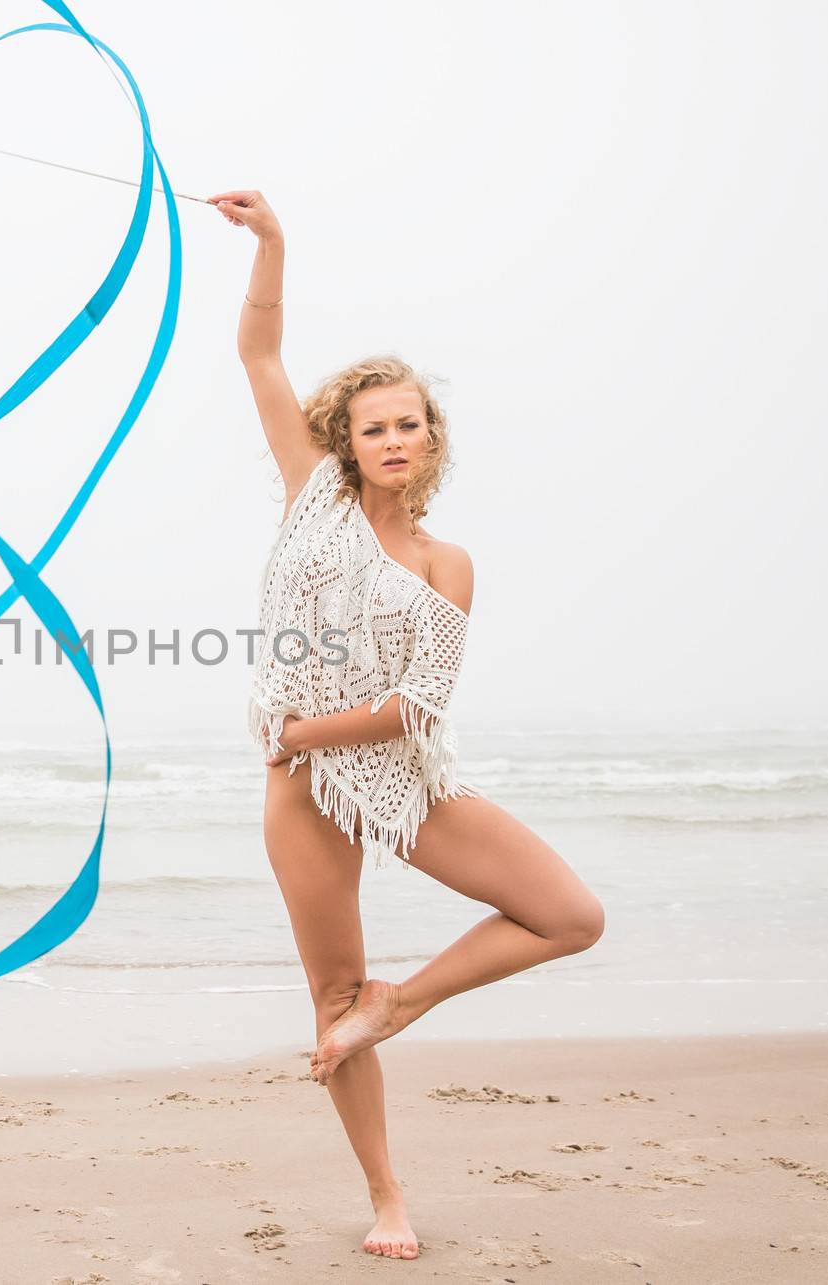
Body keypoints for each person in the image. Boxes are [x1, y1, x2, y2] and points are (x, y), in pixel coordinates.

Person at [211, 189, 607, 1261]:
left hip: (400, 771)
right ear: (344, 436)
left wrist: (300, 734)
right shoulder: (311, 499)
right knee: (328, 996)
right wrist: (274, 245)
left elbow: (413, 709)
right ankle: (387, 1196)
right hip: (303, 791)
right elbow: (257, 354)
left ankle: (405, 1002)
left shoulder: (447, 563)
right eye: (371, 424)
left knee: (571, 914)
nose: (391, 437)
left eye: (408, 423)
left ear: (430, 440)